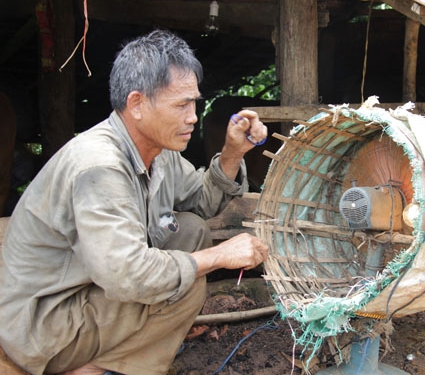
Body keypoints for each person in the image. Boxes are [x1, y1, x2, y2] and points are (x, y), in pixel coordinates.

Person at [0, 29, 269, 375]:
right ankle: (95, 368)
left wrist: (232, 153)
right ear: (137, 104)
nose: (192, 117)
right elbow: (128, 277)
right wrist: (219, 256)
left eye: (194, 103)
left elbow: (202, 203)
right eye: (181, 105)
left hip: (91, 290)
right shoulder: (100, 166)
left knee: (190, 230)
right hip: (44, 323)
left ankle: (126, 350)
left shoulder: (159, 151)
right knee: (186, 287)